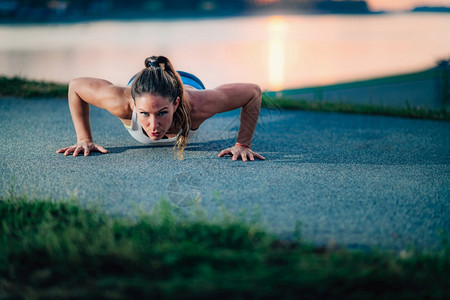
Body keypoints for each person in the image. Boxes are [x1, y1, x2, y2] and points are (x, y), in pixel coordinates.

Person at [57, 55, 265, 161]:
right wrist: (84, 139)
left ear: (175, 104)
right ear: (135, 105)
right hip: (142, 85)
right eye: (145, 114)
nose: (153, 125)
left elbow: (253, 93)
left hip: (188, 83)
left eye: (162, 113)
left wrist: (243, 144)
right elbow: (76, 86)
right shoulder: (122, 103)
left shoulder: (198, 106)